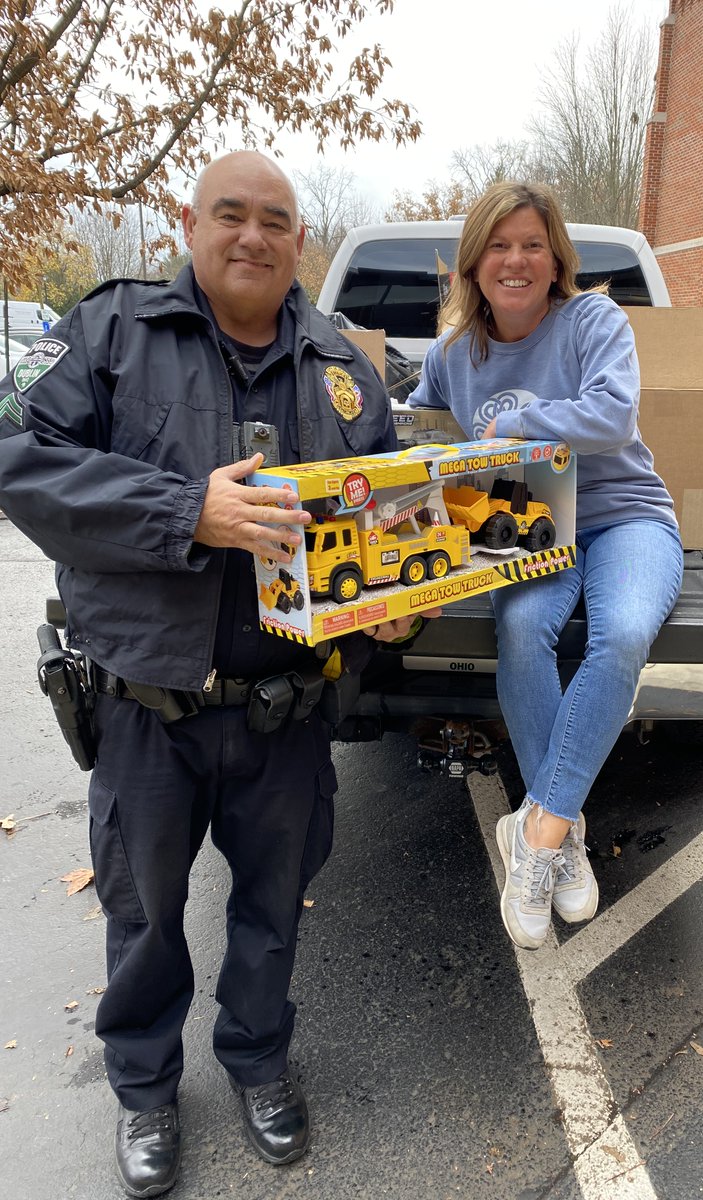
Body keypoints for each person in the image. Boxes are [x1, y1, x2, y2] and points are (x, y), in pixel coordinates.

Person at [0, 151, 426, 1197]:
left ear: (298, 241)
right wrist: (181, 510)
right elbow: (18, 457)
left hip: (286, 712)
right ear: (187, 223)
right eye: (230, 215)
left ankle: (259, 1062)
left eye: (274, 220)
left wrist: (391, 609)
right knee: (144, 916)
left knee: (273, 911)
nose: (252, 236)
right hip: (147, 709)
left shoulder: (343, 371)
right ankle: (145, 1091)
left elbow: (380, 520)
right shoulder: (109, 336)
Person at [408, 182, 684, 951]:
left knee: (623, 633)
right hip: (533, 530)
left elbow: (611, 415)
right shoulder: (452, 355)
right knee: (523, 627)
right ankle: (560, 835)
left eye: (532, 243)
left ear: (556, 256)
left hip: (626, 516)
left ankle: (539, 831)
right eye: (499, 245)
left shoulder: (592, 319)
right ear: (474, 263)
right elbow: (418, 434)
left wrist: (512, 422)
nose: (516, 260)